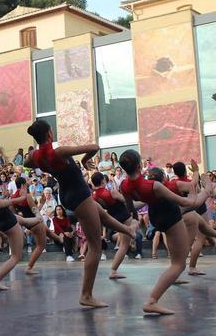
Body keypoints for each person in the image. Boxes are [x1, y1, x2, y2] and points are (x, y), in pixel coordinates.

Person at [23, 119, 134, 308]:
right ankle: (86, 295)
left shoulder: (35, 155)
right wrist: (84, 160)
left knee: (102, 214)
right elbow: (94, 146)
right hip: (78, 194)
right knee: (95, 246)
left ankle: (128, 231)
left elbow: (27, 162)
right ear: (50, 134)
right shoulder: (59, 151)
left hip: (66, 194)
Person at [119, 150, 206, 316]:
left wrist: (135, 218)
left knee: (177, 261)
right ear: (139, 165)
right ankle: (152, 301)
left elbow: (130, 206)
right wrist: (202, 191)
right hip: (170, 217)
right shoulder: (154, 185)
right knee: (179, 264)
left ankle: (154, 299)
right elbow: (186, 202)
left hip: (155, 217)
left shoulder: (124, 185)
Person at [165, 161, 216, 275]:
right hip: (195, 207)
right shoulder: (188, 183)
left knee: (204, 229)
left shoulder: (174, 183)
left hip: (183, 210)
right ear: (185, 171)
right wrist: (196, 172)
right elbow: (196, 188)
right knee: (200, 238)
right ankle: (192, 267)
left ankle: (215, 238)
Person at [90, 172, 132, 279]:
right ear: (103, 181)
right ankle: (113, 271)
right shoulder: (112, 192)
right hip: (125, 217)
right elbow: (128, 202)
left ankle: (114, 271)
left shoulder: (94, 196)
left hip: (113, 220)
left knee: (123, 244)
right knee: (124, 245)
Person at [10, 176, 49, 275]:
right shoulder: (26, 196)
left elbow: (13, 213)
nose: (28, 184)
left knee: (48, 231)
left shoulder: (13, 197)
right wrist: (42, 203)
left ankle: (59, 239)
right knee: (41, 245)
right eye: (26, 183)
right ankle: (29, 267)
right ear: (23, 185)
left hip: (26, 222)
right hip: (34, 222)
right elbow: (35, 211)